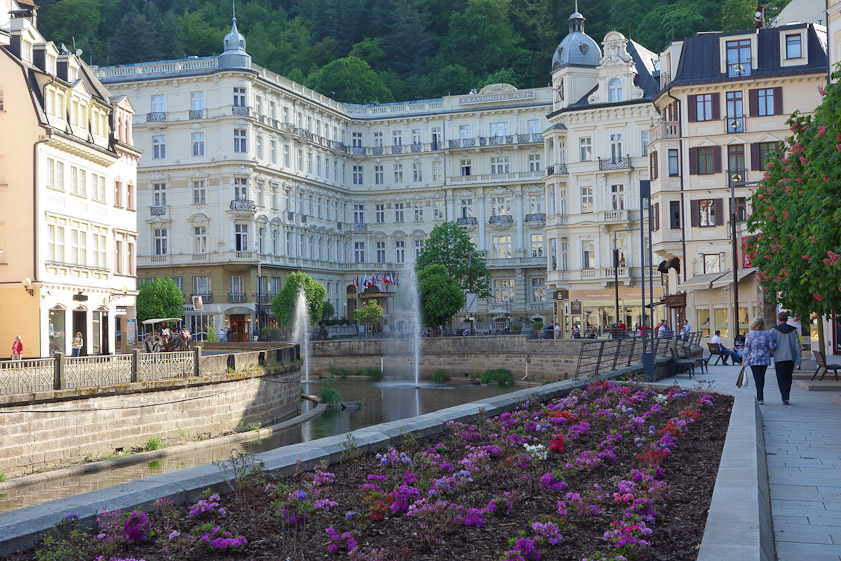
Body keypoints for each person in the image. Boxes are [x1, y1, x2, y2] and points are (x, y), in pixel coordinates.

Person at [742, 318, 775, 404]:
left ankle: (760, 397)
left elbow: (746, 348)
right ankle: (760, 396)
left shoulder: (750, 335)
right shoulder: (767, 334)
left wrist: (743, 360)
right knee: (761, 377)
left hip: (754, 359)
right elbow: (772, 346)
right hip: (764, 359)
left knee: (757, 378)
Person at [771, 312, 801, 405]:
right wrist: (798, 359)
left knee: (781, 378)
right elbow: (798, 346)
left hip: (779, 358)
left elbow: (770, 343)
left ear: (778, 319)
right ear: (787, 319)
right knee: (788, 377)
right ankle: (787, 395)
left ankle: (784, 397)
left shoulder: (774, 330)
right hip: (790, 358)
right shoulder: (793, 331)